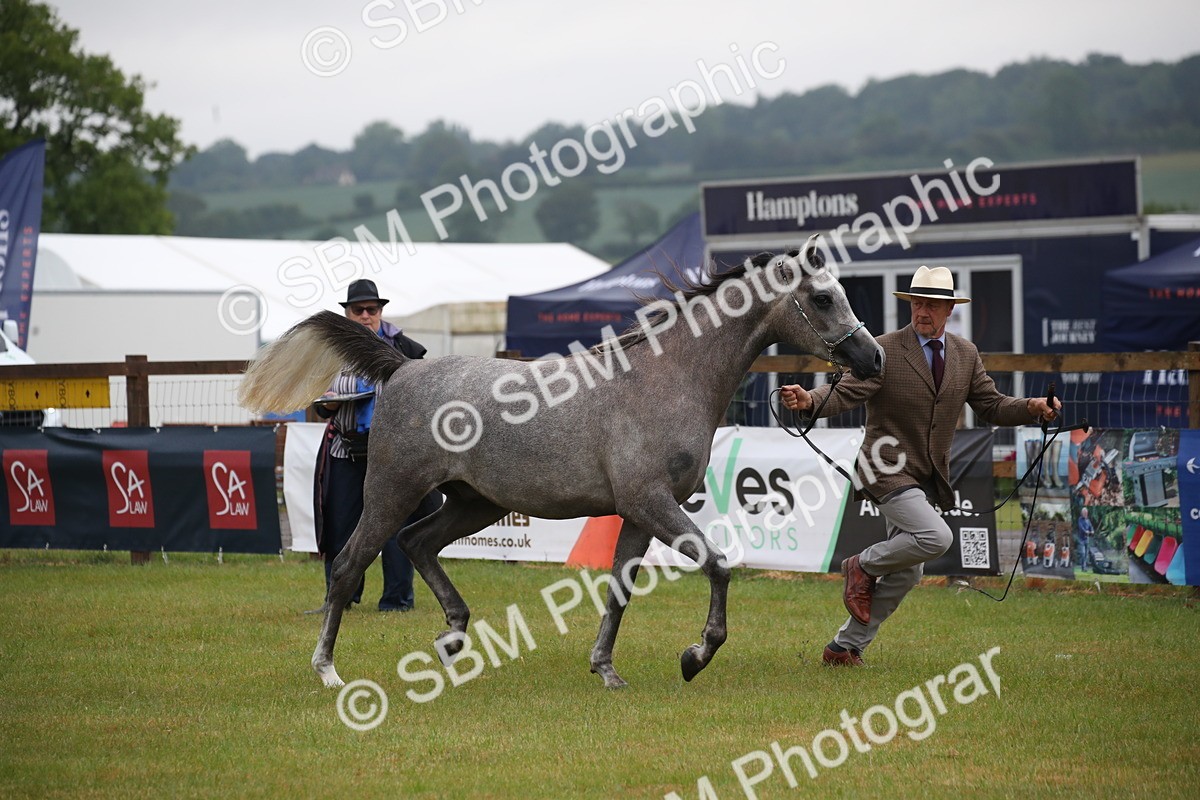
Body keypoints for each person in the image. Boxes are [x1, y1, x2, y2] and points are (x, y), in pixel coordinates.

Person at [781, 265, 1059, 667]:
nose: (922, 311)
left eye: (931, 304)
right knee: (937, 537)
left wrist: (1032, 407)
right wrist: (810, 400)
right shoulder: (885, 349)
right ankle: (860, 565)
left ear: (949, 310)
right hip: (884, 467)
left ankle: (843, 648)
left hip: (925, 477)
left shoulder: (965, 354)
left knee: (909, 573)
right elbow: (849, 390)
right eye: (916, 303)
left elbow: (992, 405)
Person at [310, 279, 442, 613]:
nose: (366, 315)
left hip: (393, 456)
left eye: (373, 309)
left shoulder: (405, 348)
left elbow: (428, 392)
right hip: (345, 449)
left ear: (381, 311)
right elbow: (318, 402)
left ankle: (396, 602)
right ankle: (339, 599)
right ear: (347, 313)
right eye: (359, 310)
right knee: (342, 526)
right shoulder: (331, 350)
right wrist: (328, 405)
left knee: (397, 528)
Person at [1076, 506, 1094, 571]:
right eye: (1084, 513)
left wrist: (1092, 531)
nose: (1085, 514)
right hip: (1081, 539)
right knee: (1083, 553)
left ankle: (1084, 568)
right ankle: (1082, 567)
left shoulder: (1088, 520)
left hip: (1087, 539)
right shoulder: (1080, 519)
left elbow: (1091, 527)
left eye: (1086, 513)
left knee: (1086, 554)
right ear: (1082, 513)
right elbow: (1081, 527)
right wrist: (1085, 531)